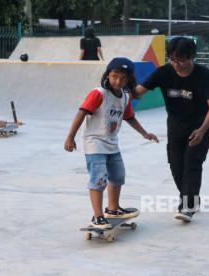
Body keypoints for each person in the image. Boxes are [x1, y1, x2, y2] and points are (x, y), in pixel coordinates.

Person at [64, 57, 158, 229]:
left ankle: (113, 209)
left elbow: (129, 117)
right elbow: (81, 113)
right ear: (107, 75)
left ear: (129, 79)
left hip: (112, 144)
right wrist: (70, 137)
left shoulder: (125, 96)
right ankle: (98, 216)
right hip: (94, 143)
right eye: (114, 76)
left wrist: (144, 133)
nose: (118, 81)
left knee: (118, 176)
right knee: (98, 180)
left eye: (123, 78)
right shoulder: (98, 93)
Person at [135, 37, 209, 222]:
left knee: (192, 164)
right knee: (176, 166)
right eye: (173, 59)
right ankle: (191, 199)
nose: (176, 64)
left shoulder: (204, 75)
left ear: (192, 57)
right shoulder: (164, 72)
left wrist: (202, 130)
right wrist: (116, 89)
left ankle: (187, 206)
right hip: (175, 126)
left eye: (181, 60)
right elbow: (138, 91)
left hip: (200, 126)